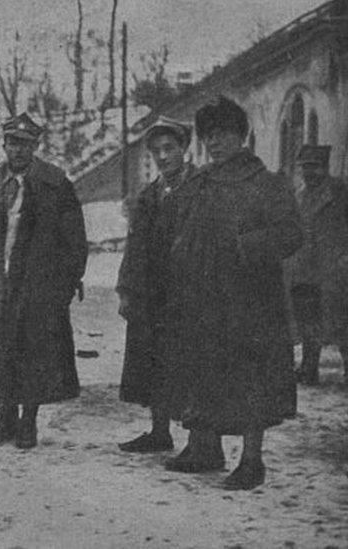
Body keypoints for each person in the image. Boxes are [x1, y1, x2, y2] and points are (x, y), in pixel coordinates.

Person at [159, 96, 302, 490]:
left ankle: (252, 460)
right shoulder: (199, 183)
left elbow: (291, 234)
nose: (215, 142)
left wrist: (248, 245)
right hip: (203, 298)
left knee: (251, 381)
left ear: (243, 136)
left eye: (224, 134)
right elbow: (175, 224)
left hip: (251, 301)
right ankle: (206, 448)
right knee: (204, 371)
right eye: (209, 136)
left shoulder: (267, 183)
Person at [0, 113, 87, 448]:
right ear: (3, 145)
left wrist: (63, 284)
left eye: (26, 144)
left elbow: (74, 240)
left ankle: (27, 422)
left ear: (36, 146)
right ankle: (5, 419)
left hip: (36, 285)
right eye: (13, 143)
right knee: (0, 349)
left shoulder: (54, 184)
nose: (18, 150)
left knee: (33, 354)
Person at [115, 117, 195, 453]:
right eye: (156, 151)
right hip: (152, 294)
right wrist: (126, 290)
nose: (163, 157)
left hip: (189, 291)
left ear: (184, 150)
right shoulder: (148, 196)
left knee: (190, 363)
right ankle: (159, 431)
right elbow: (135, 247)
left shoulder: (199, 190)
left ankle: (200, 440)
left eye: (169, 149)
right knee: (155, 361)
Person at [287, 144, 348, 385]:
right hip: (306, 269)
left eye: (313, 167)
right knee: (308, 320)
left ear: (325, 167)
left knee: (342, 320)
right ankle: (309, 368)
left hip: (335, 266)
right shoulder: (299, 195)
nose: (308, 172)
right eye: (304, 168)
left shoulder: (340, 192)